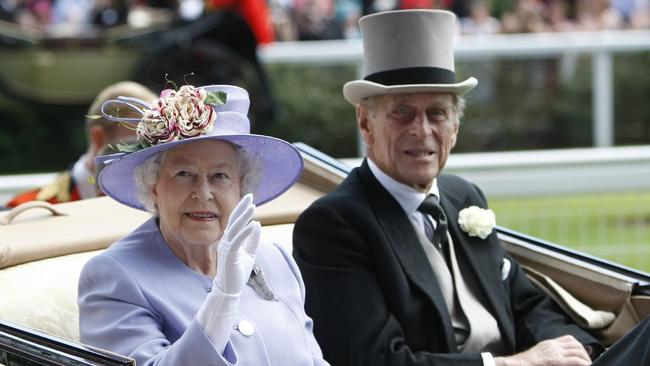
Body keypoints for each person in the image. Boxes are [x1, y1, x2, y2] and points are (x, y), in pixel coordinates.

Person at [292, 9, 650, 366]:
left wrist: (579, 352)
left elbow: (524, 303)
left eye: (437, 113)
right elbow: (376, 360)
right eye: (402, 112)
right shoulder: (336, 224)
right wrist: (518, 364)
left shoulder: (462, 197)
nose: (422, 130)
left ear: (455, 129)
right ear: (366, 123)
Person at [78, 84, 328, 365]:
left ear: (242, 188)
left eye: (220, 175)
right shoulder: (114, 276)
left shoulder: (276, 260)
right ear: (153, 187)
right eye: (183, 173)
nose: (203, 193)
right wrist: (223, 299)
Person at [5, 81, 156, 208]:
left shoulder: (158, 205)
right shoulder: (29, 210)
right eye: (137, 145)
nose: (151, 157)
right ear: (99, 138)